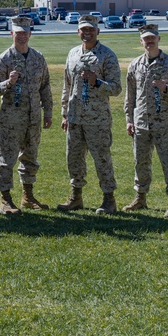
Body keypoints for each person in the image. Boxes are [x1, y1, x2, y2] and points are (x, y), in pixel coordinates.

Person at [58, 14, 122, 215]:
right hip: (75, 117)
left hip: (97, 119)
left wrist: (97, 82)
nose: (87, 33)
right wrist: (64, 113)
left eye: (91, 30)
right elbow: (67, 85)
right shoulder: (73, 54)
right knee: (74, 158)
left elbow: (116, 88)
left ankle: (109, 199)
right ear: (78, 31)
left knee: (101, 159)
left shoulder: (107, 56)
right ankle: (76, 197)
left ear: (98, 31)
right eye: (83, 29)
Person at [0, 15, 53, 215]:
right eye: (18, 33)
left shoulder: (37, 58)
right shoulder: (4, 59)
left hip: (33, 118)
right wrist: (8, 83)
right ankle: (5, 198)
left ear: (30, 34)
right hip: (11, 119)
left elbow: (45, 86)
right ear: (12, 34)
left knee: (31, 158)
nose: (22, 37)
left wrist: (48, 111)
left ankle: (28, 196)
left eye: (25, 33)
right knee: (7, 159)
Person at [123, 24, 168, 217]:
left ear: (159, 39)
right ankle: (140, 197)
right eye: (146, 39)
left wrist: (166, 89)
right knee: (140, 161)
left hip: (164, 123)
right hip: (141, 122)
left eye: (153, 38)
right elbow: (130, 95)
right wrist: (129, 119)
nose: (149, 41)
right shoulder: (135, 65)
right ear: (141, 41)